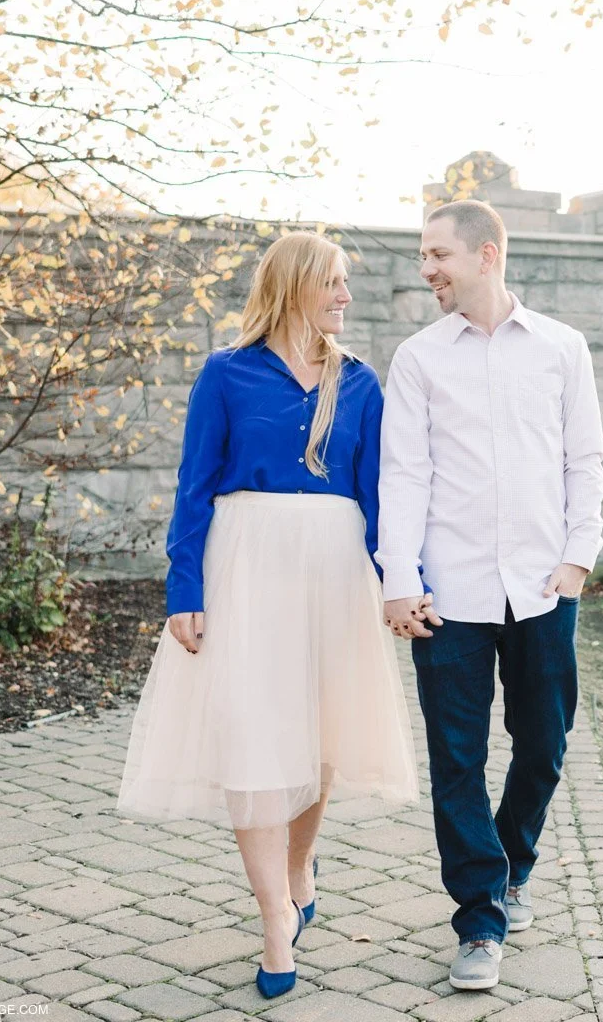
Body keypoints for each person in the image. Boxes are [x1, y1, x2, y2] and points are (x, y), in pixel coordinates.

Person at [117, 231, 418, 1000]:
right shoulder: (226, 373)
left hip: (334, 571)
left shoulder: (360, 383)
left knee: (318, 734)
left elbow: (380, 499)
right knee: (252, 730)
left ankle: (298, 867)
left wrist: (401, 582)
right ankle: (275, 917)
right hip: (246, 566)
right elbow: (194, 486)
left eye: (346, 282)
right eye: (334, 282)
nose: (346, 296)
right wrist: (185, 590)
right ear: (292, 288)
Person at [376, 199, 603, 992]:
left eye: (438, 254)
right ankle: (479, 918)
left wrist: (577, 559)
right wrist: (399, 580)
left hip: (544, 588)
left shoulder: (562, 349)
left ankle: (513, 861)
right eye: (423, 256)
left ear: (487, 254)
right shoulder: (418, 359)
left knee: (544, 743)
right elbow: (403, 474)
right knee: (457, 761)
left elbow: (584, 461)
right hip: (450, 594)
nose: (427, 269)